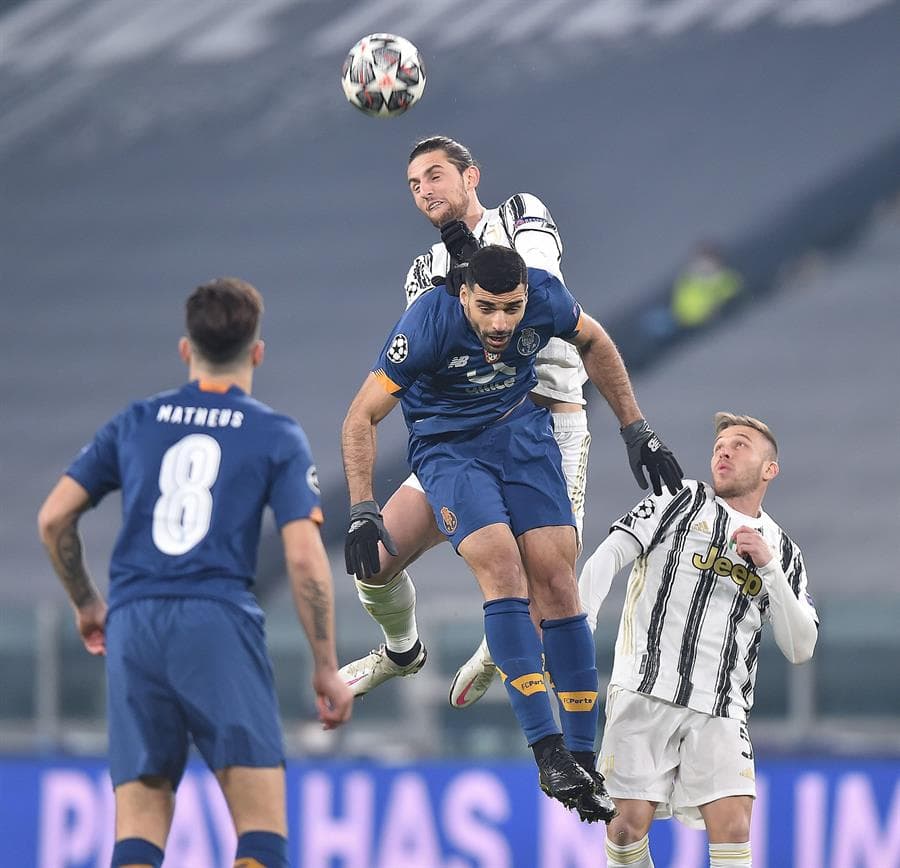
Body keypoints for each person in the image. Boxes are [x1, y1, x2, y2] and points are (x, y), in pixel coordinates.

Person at [342, 244, 682, 822]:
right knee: (503, 570)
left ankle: (582, 757)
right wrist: (362, 506)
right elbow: (360, 416)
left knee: (558, 582)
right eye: (488, 309)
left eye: (512, 309)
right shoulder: (426, 322)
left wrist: (637, 431)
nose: (501, 323)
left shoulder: (547, 295)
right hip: (449, 452)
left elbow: (595, 341)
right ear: (465, 295)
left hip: (522, 434)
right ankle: (547, 750)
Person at [37, 278, 353, 868]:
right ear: (257, 352)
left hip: (133, 622)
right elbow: (305, 555)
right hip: (216, 621)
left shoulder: (134, 422)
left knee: (139, 825)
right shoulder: (275, 434)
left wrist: (87, 603)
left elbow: (54, 518)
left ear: (187, 349)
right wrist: (326, 666)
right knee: (261, 831)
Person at [338, 135, 598, 710]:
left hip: (550, 421)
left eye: (435, 176)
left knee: (551, 589)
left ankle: (499, 648)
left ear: (471, 176)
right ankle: (401, 650)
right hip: (467, 434)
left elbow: (526, 288)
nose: (425, 191)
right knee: (373, 562)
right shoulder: (421, 271)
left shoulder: (521, 214)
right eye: (413, 184)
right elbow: (436, 347)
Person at [578, 412, 818, 867]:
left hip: (722, 706)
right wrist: (580, 627)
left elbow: (800, 646)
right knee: (626, 830)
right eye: (719, 445)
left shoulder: (784, 550)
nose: (724, 450)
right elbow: (607, 557)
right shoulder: (678, 498)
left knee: (734, 829)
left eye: (740, 444)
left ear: (770, 469)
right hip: (645, 688)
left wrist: (769, 570)